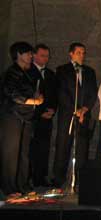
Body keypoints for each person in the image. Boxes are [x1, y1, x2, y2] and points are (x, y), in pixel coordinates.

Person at [0, 42, 43, 196]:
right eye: (28, 53)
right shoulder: (11, 72)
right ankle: (9, 187)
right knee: (11, 153)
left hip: (26, 117)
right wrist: (32, 101)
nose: (31, 56)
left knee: (24, 153)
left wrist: (37, 96)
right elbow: (11, 93)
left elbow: (33, 90)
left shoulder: (30, 72)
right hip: (12, 116)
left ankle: (23, 185)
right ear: (18, 55)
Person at [53, 42, 98, 189]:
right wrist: (75, 109)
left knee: (82, 148)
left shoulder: (89, 72)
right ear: (71, 53)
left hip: (84, 114)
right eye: (78, 52)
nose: (82, 55)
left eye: (83, 53)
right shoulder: (62, 70)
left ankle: (79, 179)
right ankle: (58, 179)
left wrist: (84, 109)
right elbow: (61, 93)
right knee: (63, 146)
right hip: (68, 114)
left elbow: (92, 93)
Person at [29, 44, 57, 187]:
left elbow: (54, 95)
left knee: (44, 148)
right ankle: (30, 177)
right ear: (34, 55)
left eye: (47, 56)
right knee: (32, 147)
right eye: (42, 55)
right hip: (33, 117)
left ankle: (41, 176)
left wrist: (52, 110)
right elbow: (30, 94)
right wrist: (41, 112)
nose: (45, 58)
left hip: (48, 117)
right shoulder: (28, 71)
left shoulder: (51, 74)